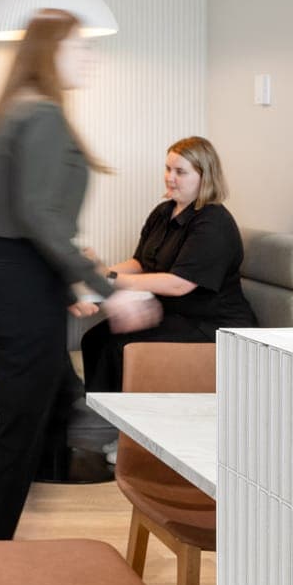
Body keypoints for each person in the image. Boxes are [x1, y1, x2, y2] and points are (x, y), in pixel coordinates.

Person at [0, 9, 159, 542]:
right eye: (80, 46)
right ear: (50, 52)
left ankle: (9, 516)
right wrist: (109, 290)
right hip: (22, 281)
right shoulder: (43, 115)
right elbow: (39, 215)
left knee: (52, 402)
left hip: (14, 274)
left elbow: (34, 219)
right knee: (22, 426)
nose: (90, 56)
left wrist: (70, 278)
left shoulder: (20, 109)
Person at [80, 136, 256, 400]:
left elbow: (179, 284)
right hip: (175, 316)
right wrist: (99, 274)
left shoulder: (213, 223)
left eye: (180, 172)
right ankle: (104, 419)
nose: (170, 178)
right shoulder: (164, 212)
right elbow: (140, 263)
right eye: (168, 169)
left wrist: (111, 279)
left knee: (119, 346)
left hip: (212, 326)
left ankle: (120, 429)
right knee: (95, 338)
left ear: (204, 176)